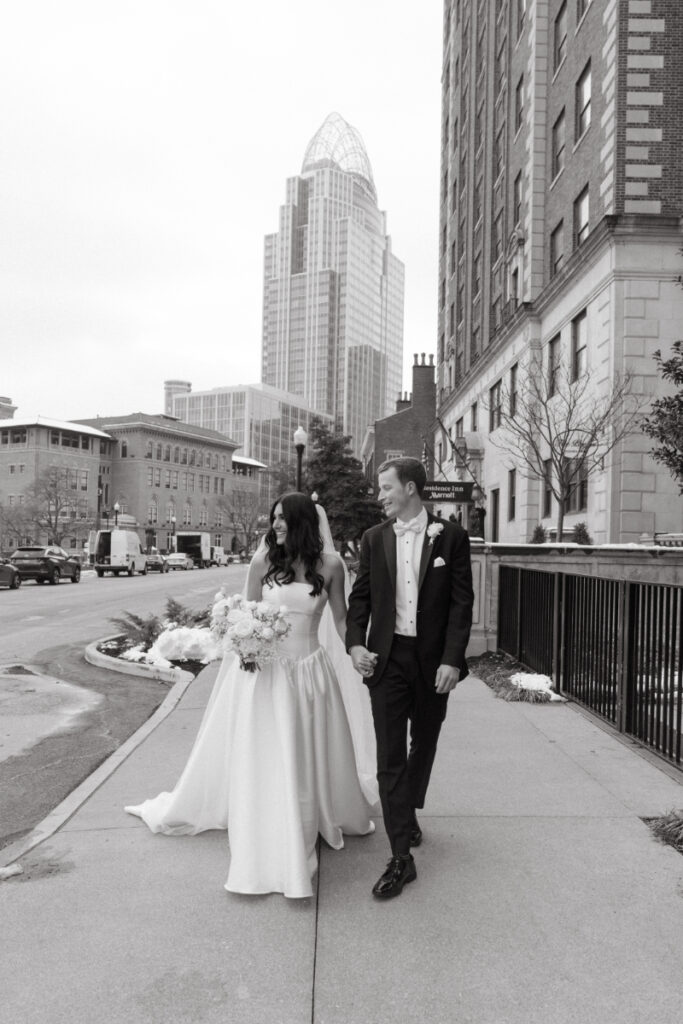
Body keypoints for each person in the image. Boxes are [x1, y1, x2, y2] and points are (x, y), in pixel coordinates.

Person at [125, 493, 376, 899]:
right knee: (270, 750)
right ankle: (272, 819)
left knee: (305, 748)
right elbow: (245, 613)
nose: (275, 526)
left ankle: (309, 814)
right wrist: (245, 642)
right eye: (273, 518)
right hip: (265, 673)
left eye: (282, 519)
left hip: (310, 671)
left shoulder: (330, 566)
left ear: (302, 523)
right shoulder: (263, 563)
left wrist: (356, 650)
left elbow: (342, 619)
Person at [346, 457, 474, 899]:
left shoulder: (451, 537)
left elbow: (461, 603)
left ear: (411, 490)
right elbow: (359, 599)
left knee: (425, 741)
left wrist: (453, 660)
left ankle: (405, 809)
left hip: (433, 661)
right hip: (387, 659)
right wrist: (355, 645)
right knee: (389, 756)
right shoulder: (373, 539)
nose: (379, 495)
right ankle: (401, 855)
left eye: (386, 488)